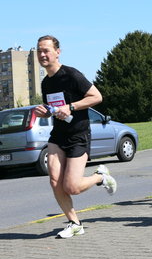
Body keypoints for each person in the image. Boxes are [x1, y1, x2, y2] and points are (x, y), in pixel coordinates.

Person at [33, 35, 117, 238]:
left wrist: (70, 107)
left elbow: (97, 97)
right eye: (39, 51)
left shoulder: (71, 75)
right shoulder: (46, 83)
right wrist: (47, 112)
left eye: (46, 50)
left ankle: (100, 177)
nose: (42, 54)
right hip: (58, 135)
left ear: (57, 52)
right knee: (55, 180)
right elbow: (55, 109)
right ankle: (75, 222)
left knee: (71, 186)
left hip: (78, 134)